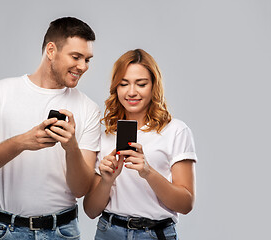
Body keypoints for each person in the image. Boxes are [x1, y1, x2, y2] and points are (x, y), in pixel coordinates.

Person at [0, 17, 101, 240]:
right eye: (76, 57)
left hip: (62, 231)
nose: (83, 66)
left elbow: (80, 190)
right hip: (5, 230)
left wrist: (71, 147)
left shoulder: (89, 109)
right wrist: (21, 143)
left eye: (87, 59)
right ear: (51, 50)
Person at [83, 49, 197, 240]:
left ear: (154, 86)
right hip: (109, 231)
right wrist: (107, 180)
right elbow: (91, 211)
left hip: (155, 233)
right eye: (124, 84)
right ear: (116, 88)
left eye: (141, 84)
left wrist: (148, 172)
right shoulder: (106, 135)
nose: (132, 92)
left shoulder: (176, 131)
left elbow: (185, 204)